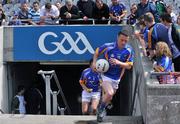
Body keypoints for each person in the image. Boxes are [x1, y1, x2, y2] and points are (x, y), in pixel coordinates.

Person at [92, 30, 134, 122]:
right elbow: (97, 52)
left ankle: (101, 106)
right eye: (121, 40)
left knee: (109, 97)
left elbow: (129, 66)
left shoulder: (129, 50)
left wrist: (118, 62)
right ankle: (101, 110)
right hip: (104, 75)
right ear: (117, 38)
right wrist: (94, 62)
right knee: (110, 93)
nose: (123, 42)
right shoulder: (108, 46)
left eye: (125, 41)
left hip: (116, 78)